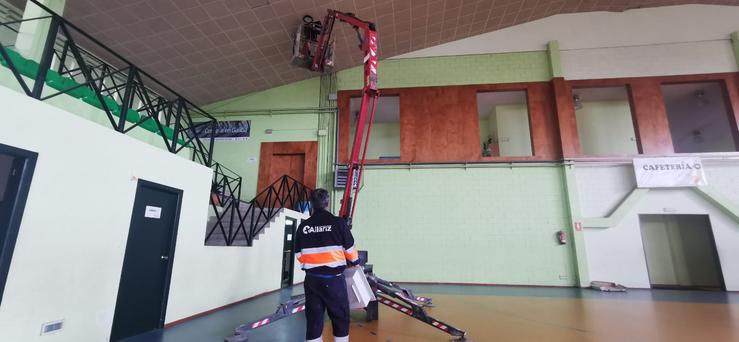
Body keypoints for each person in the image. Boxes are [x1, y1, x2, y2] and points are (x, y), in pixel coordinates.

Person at [294, 189, 359, 342]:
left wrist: (310, 264)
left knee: (314, 320)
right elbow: (350, 251)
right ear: (327, 203)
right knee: (340, 318)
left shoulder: (303, 227)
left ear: (311, 204)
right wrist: (356, 263)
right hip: (334, 281)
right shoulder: (338, 223)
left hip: (312, 281)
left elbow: (298, 254)